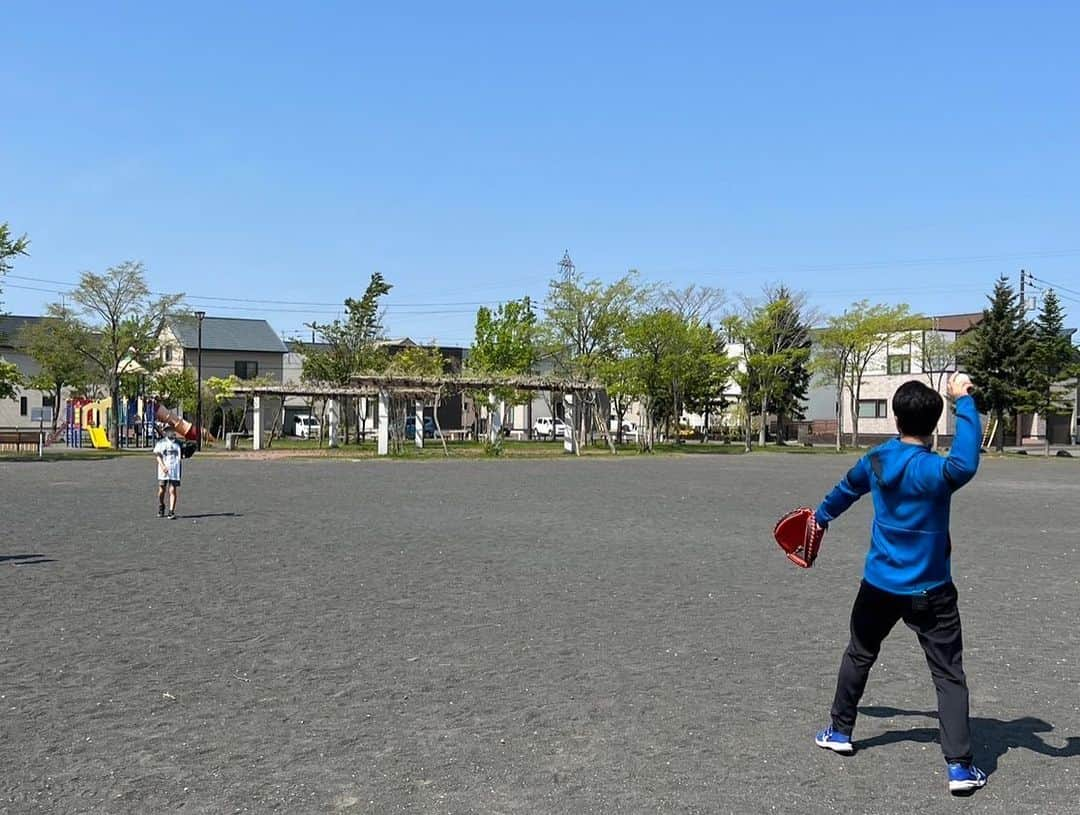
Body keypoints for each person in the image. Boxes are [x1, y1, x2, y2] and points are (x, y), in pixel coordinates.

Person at [811, 374, 987, 796]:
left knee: (860, 653)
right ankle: (959, 769)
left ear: (895, 417)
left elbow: (845, 490)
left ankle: (839, 729)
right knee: (948, 674)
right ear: (934, 423)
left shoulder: (877, 460)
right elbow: (965, 463)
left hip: (879, 584)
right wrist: (964, 399)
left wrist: (820, 518)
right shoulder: (934, 470)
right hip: (930, 590)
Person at [154, 427, 183, 519]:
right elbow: (158, 455)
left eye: (172, 430)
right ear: (165, 432)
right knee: (162, 490)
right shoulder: (161, 443)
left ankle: (171, 511)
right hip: (163, 471)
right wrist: (162, 466)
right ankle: (161, 505)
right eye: (168, 430)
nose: (170, 432)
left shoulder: (178, 443)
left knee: (172, 490)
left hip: (175, 470)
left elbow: (183, 454)